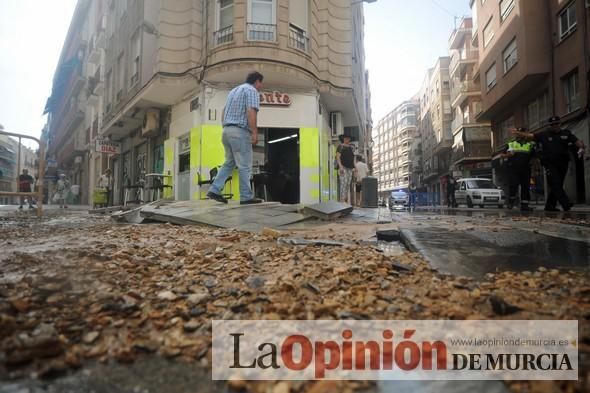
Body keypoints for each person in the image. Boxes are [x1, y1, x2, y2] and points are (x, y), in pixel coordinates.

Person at [207, 71, 264, 205]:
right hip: (239, 131)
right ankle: (246, 197)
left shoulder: (234, 91)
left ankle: (214, 189)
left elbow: (223, 111)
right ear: (257, 81)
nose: (261, 86)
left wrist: (227, 128)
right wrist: (255, 133)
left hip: (227, 130)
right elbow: (251, 111)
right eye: (261, 83)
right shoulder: (252, 91)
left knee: (229, 163)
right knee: (245, 165)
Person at [512, 116, 586, 211]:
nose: (555, 126)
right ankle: (566, 203)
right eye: (552, 124)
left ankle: (550, 206)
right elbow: (531, 136)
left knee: (558, 184)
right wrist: (519, 133)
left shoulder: (566, 133)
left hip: (563, 163)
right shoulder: (544, 134)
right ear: (549, 126)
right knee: (555, 183)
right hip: (550, 164)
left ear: (560, 124)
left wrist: (582, 148)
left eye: (556, 124)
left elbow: (577, 141)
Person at [502, 128, 534, 211]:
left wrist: (535, 166)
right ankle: (511, 202)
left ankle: (525, 205)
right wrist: (508, 155)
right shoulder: (511, 143)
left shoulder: (530, 144)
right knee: (514, 185)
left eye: (523, 133)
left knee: (525, 187)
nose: (521, 134)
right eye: (519, 133)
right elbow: (502, 155)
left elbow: (534, 156)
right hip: (513, 169)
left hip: (526, 169)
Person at [336, 134, 355, 204]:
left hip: (350, 168)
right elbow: (337, 157)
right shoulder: (340, 146)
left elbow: (353, 158)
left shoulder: (351, 148)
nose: (347, 139)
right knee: (343, 183)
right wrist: (340, 166)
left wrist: (355, 168)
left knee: (348, 183)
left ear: (349, 139)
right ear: (343, 139)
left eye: (348, 138)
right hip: (343, 167)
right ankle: (342, 200)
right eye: (345, 138)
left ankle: (345, 199)